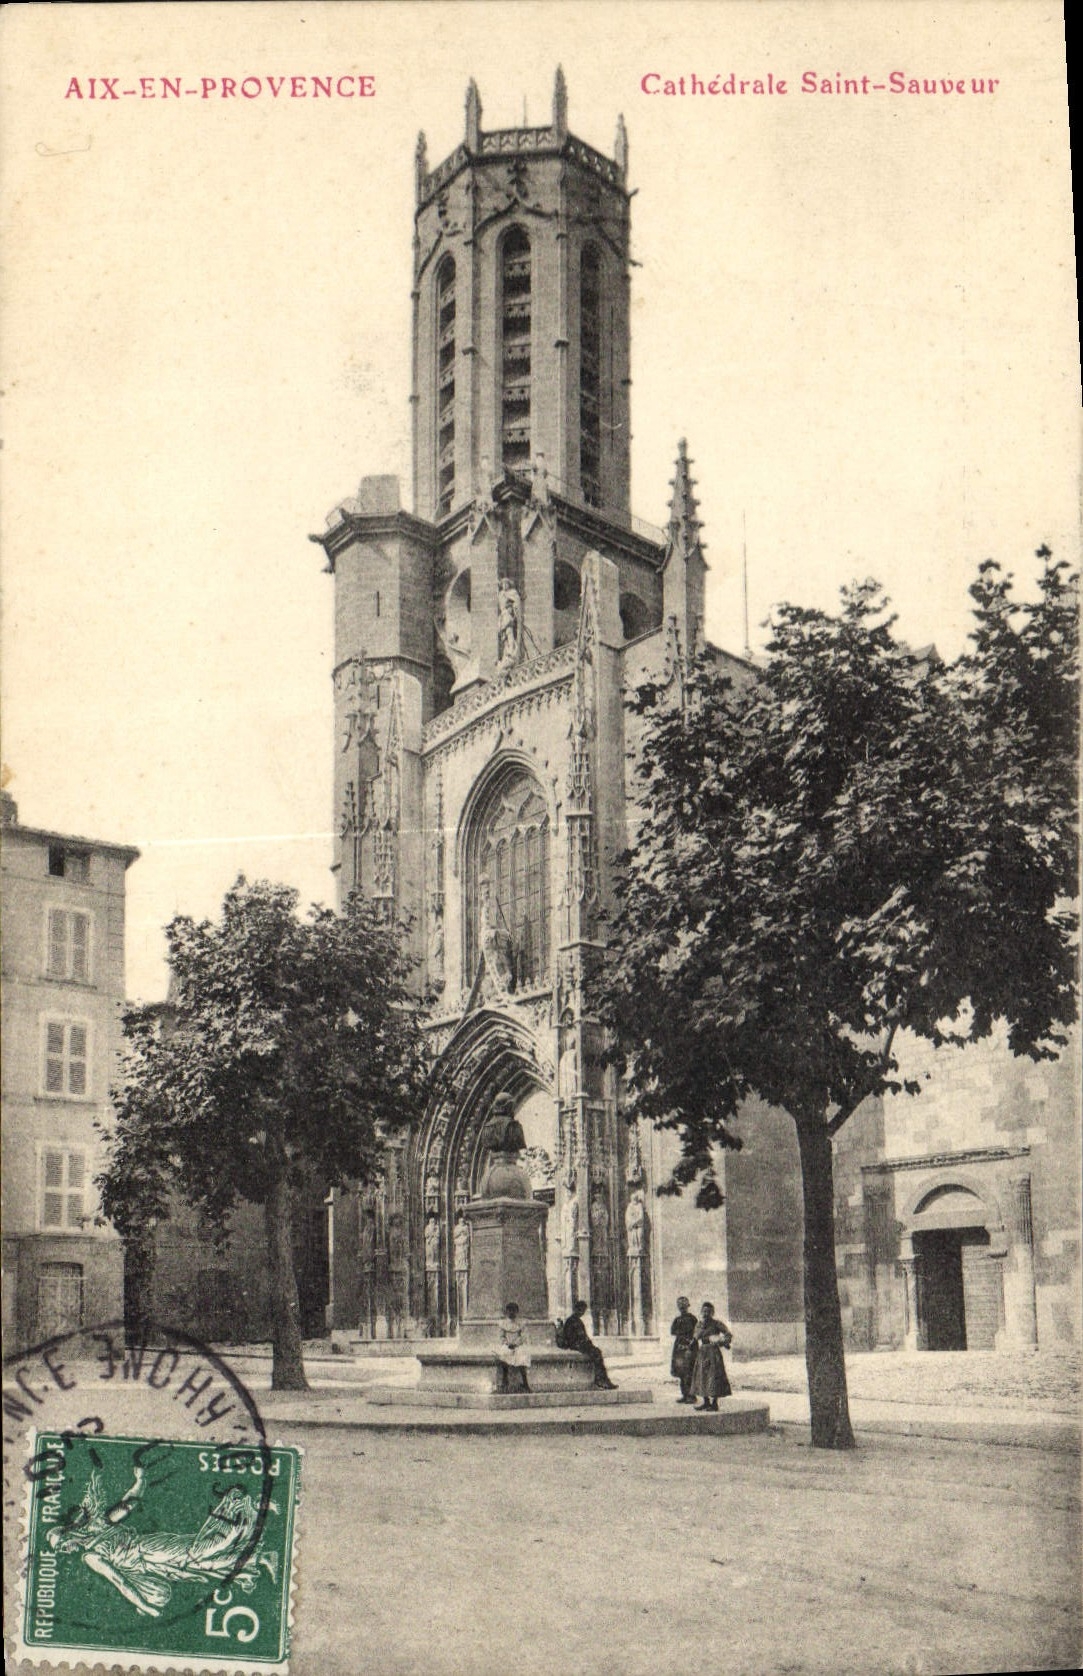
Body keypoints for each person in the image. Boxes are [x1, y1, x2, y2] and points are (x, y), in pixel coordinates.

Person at [562, 1298, 617, 1389]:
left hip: (579, 1344)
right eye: (581, 1310)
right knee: (597, 1354)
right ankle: (601, 1379)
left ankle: (602, 1379)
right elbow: (574, 1337)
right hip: (576, 1345)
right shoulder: (573, 1321)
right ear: (577, 1309)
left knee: (597, 1352)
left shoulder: (574, 1320)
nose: (582, 1313)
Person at [691, 1301, 733, 1412]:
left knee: (714, 1376)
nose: (706, 1314)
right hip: (702, 1352)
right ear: (701, 1312)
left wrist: (721, 1341)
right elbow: (695, 1337)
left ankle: (714, 1403)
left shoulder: (717, 1324)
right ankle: (706, 1402)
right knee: (702, 1376)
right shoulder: (699, 1324)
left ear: (712, 1313)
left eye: (709, 1312)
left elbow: (728, 1334)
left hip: (713, 1352)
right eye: (704, 1311)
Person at [497, 1301, 531, 1393]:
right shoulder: (503, 1323)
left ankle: (525, 1382)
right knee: (504, 1353)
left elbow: (523, 1336)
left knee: (522, 1354)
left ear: (517, 1312)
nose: (511, 1313)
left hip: (518, 1345)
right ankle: (504, 1380)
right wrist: (507, 1343)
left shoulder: (521, 1323)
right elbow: (501, 1336)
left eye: (514, 1310)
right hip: (507, 1345)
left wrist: (515, 1344)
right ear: (506, 1312)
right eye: (509, 1310)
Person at [670, 1294, 698, 1403]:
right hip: (679, 1348)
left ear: (688, 1306)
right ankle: (684, 1395)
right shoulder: (677, 1320)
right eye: (680, 1305)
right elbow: (673, 1331)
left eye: (684, 1305)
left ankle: (692, 1396)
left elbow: (696, 1333)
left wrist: (690, 1343)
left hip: (689, 1348)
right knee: (681, 1372)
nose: (682, 1307)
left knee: (689, 1372)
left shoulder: (692, 1319)